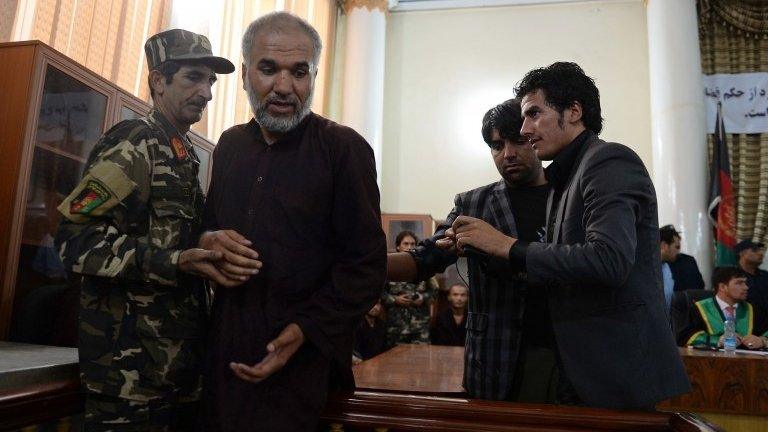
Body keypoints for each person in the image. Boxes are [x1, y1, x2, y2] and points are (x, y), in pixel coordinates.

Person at [448, 62, 690, 409]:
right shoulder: (567, 176)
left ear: (574, 111)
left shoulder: (608, 161)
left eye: (533, 114)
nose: (525, 128)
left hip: (614, 370)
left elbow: (609, 260)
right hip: (578, 370)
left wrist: (506, 246)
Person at [198, 12, 386, 432]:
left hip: (304, 371)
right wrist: (208, 240)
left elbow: (366, 267)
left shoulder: (343, 149)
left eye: (299, 72)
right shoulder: (228, 146)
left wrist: (305, 330)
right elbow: (208, 228)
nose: (284, 87)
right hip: (223, 360)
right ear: (245, 74)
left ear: (314, 76)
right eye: (269, 69)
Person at [55, 29, 242, 431]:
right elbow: (73, 239)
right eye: (194, 77)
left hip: (173, 370)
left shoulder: (181, 150)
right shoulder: (134, 142)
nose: (207, 92)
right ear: (159, 81)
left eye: (210, 81)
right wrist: (173, 261)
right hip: (128, 378)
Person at [387, 99, 555, 402]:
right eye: (496, 146)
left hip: (558, 350)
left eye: (517, 140)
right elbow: (425, 258)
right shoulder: (474, 204)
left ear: (535, 136)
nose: (508, 154)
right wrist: (359, 264)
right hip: (493, 355)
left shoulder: (568, 195)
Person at [679, 267, 768, 349]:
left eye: (745, 283)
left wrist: (762, 341)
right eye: (739, 283)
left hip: (748, 363)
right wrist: (718, 341)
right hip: (710, 362)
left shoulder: (754, 310)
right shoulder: (698, 309)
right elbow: (684, 337)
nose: (746, 287)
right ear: (722, 287)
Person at [382, 231, 439, 346]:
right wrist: (394, 299)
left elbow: (435, 291)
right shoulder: (389, 267)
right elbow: (378, 293)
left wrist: (423, 298)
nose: (409, 247)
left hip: (420, 327)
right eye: (406, 244)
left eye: (413, 244)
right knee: (395, 362)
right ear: (398, 246)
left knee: (421, 361)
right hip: (396, 328)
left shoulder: (424, 267)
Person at [661, 224, 705, 291]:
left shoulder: (688, 262)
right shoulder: (647, 267)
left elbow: (699, 288)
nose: (678, 252)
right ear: (664, 245)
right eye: (677, 247)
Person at [735, 239, 768, 313]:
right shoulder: (733, 277)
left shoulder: (765, 275)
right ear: (742, 253)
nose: (760, 253)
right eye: (754, 250)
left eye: (761, 250)